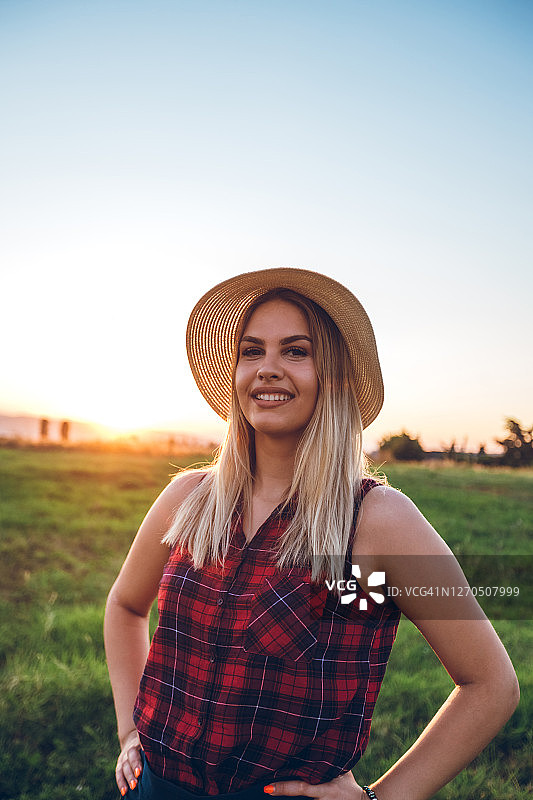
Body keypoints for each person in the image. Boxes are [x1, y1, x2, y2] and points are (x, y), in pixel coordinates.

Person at [104, 267, 519, 800]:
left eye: (295, 351)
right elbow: (125, 606)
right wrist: (129, 729)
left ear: (334, 376)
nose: (268, 369)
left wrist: (380, 798)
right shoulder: (190, 501)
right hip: (155, 788)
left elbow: (490, 684)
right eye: (251, 351)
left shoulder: (374, 523)